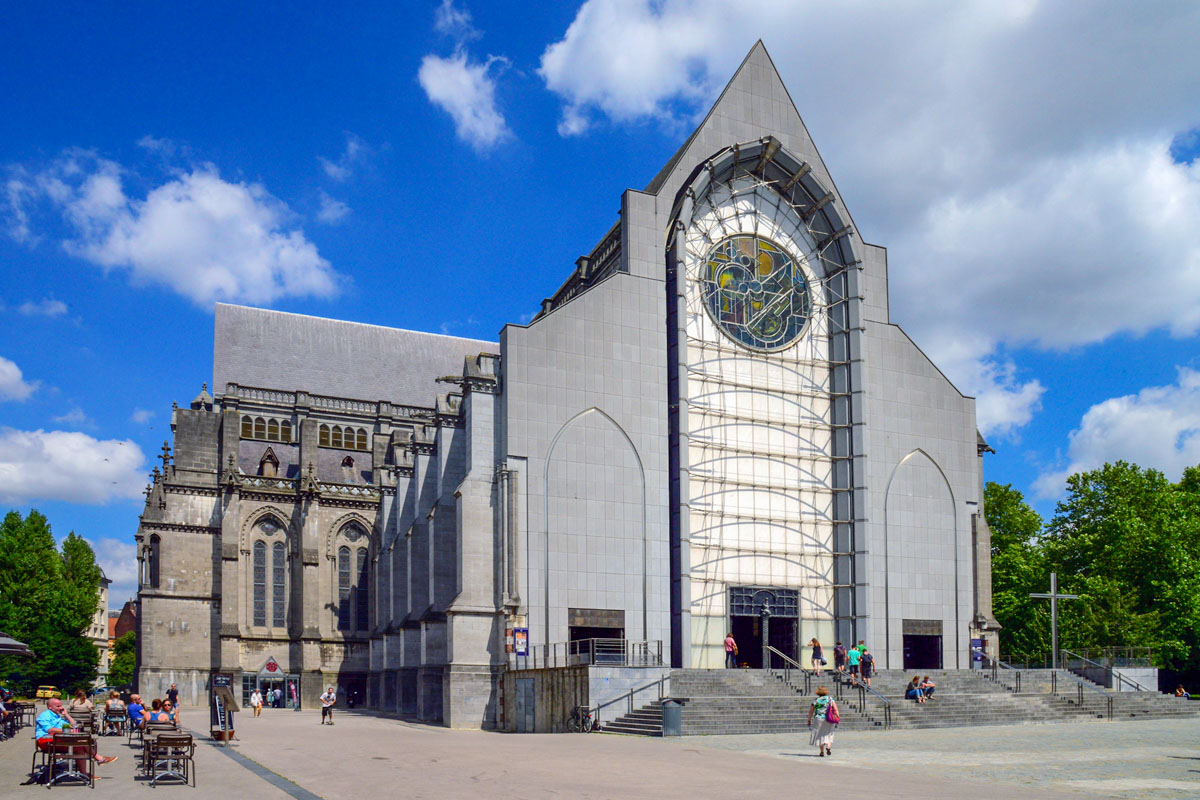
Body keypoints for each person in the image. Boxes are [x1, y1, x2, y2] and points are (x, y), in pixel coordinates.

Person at [35, 697, 118, 773]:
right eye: (58, 706)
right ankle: (99, 758)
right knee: (82, 742)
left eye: (61, 706)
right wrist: (68, 731)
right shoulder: (44, 716)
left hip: (58, 740)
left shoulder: (58, 717)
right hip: (46, 742)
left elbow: (74, 725)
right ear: (50, 707)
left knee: (80, 747)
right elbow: (49, 729)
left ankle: (85, 773)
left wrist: (66, 714)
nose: (60, 708)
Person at [806, 686, 838, 757]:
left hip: (818, 719)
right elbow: (835, 709)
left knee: (820, 734)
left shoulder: (816, 701)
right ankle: (828, 746)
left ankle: (822, 752)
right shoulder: (830, 699)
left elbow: (811, 712)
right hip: (829, 718)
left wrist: (809, 720)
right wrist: (837, 717)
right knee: (830, 733)